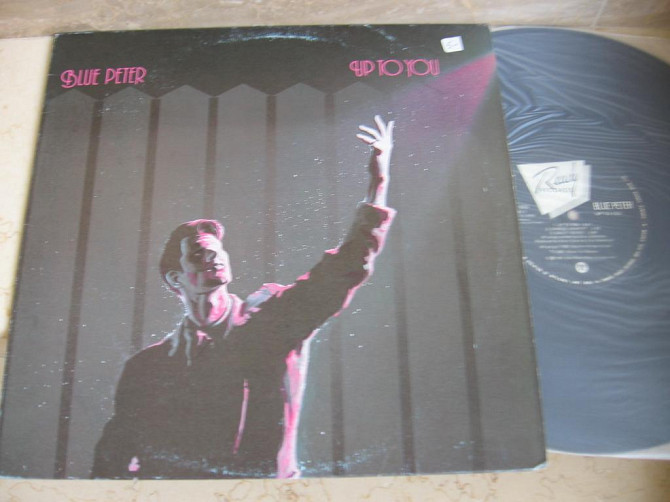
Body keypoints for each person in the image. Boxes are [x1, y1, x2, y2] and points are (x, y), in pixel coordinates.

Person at [91, 116, 396, 479]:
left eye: (217, 249)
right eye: (199, 252)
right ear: (175, 278)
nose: (214, 255)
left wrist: (378, 181)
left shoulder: (272, 320)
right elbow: (115, 454)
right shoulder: (147, 367)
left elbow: (345, 267)